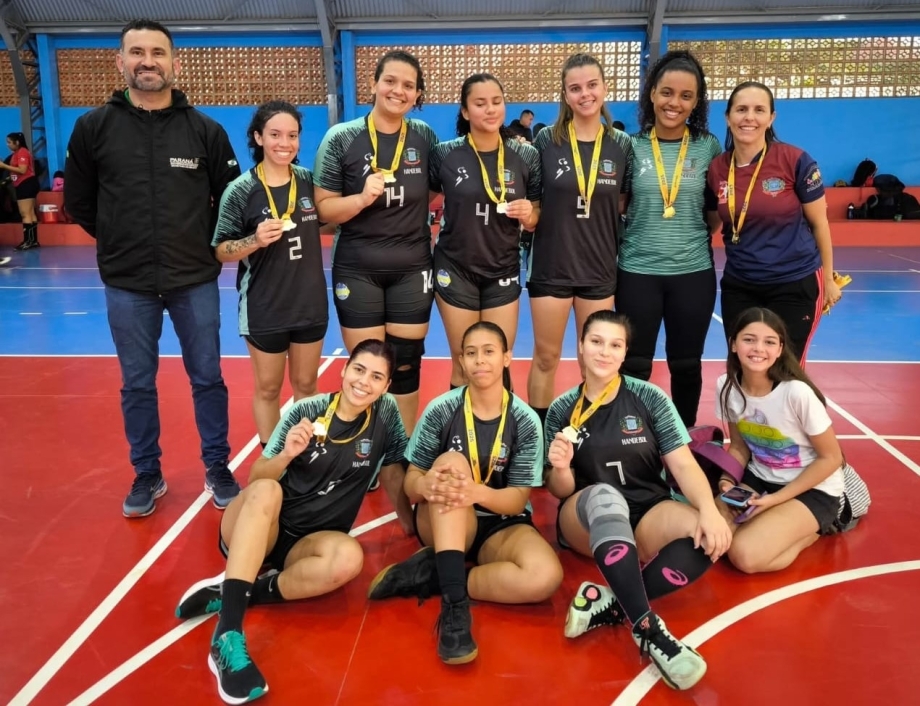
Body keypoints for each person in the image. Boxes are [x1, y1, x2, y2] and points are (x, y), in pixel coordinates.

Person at [65, 19, 241, 517]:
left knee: (207, 376)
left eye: (158, 53)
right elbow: (79, 201)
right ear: (120, 62)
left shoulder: (205, 130)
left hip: (194, 279)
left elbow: (228, 204)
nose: (148, 61)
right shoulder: (93, 127)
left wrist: (200, 246)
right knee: (137, 382)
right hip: (127, 282)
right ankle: (147, 472)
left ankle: (216, 465)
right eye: (137, 52)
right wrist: (120, 240)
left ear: (174, 63)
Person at [175, 340, 409, 704]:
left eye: (377, 376)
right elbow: (256, 478)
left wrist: (410, 526)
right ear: (344, 370)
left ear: (387, 386)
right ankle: (227, 635)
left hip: (306, 546)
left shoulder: (387, 415)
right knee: (268, 490)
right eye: (359, 370)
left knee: (349, 558)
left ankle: (240, 591)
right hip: (259, 528)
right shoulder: (309, 410)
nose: (364, 382)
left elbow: (393, 470)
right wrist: (286, 454)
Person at [544, 310, 732, 691]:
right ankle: (649, 630)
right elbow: (558, 490)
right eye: (596, 342)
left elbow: (682, 463)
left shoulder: (648, 397)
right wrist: (561, 469)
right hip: (585, 519)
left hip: (646, 511)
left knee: (708, 535)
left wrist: (710, 511)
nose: (604, 352)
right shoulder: (563, 408)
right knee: (605, 496)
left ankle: (611, 601)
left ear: (625, 352)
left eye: (615, 345)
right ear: (580, 347)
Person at [367, 322, 562, 665]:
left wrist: (476, 492)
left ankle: (437, 573)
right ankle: (455, 609)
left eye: (489, 352)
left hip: (501, 521)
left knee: (545, 577)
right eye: (470, 353)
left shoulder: (526, 419)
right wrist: (425, 485)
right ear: (461, 360)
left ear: (506, 358)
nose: (479, 360)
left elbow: (517, 500)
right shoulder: (442, 409)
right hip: (442, 516)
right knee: (453, 464)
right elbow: (412, 481)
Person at [314, 50, 438, 439]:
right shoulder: (342, 138)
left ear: (417, 94)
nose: (398, 91)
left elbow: (435, 193)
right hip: (358, 267)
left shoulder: (425, 137)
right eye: (390, 81)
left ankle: (399, 450)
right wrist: (361, 199)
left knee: (404, 364)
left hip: (412, 267)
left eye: (408, 85)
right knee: (366, 366)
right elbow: (323, 209)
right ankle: (361, 449)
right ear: (373, 84)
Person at [212, 101, 328, 449]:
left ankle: (308, 453)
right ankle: (273, 456)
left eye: (292, 135)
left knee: (307, 385)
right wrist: (254, 240)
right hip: (265, 307)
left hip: (309, 305)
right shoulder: (241, 190)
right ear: (258, 137)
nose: (285, 143)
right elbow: (221, 249)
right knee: (268, 388)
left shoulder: (309, 181)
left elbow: (333, 216)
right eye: (275, 134)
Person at [616, 51, 722, 428]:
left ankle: (685, 438)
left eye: (685, 96)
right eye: (666, 92)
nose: (674, 103)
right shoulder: (631, 146)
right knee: (634, 363)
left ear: (697, 102)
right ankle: (632, 436)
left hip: (692, 272)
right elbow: (619, 204)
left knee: (686, 363)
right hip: (637, 270)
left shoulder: (708, 147)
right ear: (651, 95)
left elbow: (713, 214)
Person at [526, 53, 633, 426]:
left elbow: (622, 203)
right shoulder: (546, 141)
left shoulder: (622, 145)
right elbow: (535, 202)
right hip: (551, 269)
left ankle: (592, 440)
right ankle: (536, 442)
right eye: (575, 88)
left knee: (596, 362)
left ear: (604, 88)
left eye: (591, 85)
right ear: (565, 95)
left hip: (599, 271)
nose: (584, 94)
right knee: (546, 357)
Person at [706, 81, 841, 363]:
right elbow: (714, 222)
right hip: (740, 284)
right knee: (743, 365)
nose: (749, 117)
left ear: (771, 118)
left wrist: (828, 279)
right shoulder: (717, 168)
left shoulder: (795, 160)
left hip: (795, 282)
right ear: (728, 117)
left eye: (759, 110)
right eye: (741, 109)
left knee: (787, 370)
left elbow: (820, 224)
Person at [429, 73, 541, 388]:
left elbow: (535, 216)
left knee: (498, 362)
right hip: (455, 268)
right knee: (464, 362)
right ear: (465, 112)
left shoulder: (525, 155)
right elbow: (418, 200)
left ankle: (502, 436)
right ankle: (459, 435)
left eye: (496, 102)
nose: (490, 109)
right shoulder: (445, 154)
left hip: (502, 268)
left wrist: (529, 213)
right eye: (480, 103)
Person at [716, 307, 846, 572]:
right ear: (733, 345)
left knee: (745, 556)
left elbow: (832, 458)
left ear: (780, 349)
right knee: (715, 536)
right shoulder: (726, 386)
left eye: (769, 342)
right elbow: (739, 446)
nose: (758, 348)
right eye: (749, 339)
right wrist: (726, 479)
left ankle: (817, 529)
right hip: (760, 478)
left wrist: (776, 500)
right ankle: (778, 524)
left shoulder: (796, 393)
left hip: (813, 487)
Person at [0, 132, 39, 250]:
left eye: (9, 142)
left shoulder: (23, 152)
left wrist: (3, 166)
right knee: (31, 213)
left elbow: (22, 170)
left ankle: (28, 241)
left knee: (25, 213)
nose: (7, 145)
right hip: (25, 184)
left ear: (17, 142)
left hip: (26, 184)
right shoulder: (16, 153)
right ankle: (33, 240)